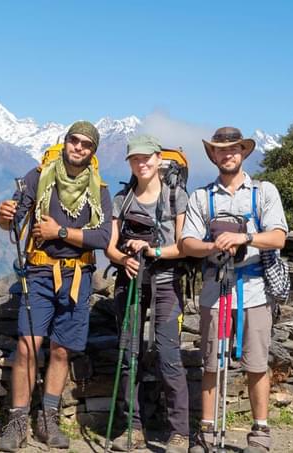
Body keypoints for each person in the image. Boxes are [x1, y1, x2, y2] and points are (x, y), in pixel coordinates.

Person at [0, 121, 113, 452]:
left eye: (86, 144)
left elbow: (102, 238)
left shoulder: (99, 188)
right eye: (73, 141)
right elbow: (14, 218)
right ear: (64, 143)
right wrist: (3, 216)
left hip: (78, 276)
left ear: (93, 152)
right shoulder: (38, 176)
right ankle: (17, 423)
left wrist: (59, 232)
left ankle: (48, 420)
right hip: (40, 272)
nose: (78, 147)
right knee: (27, 346)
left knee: (62, 349)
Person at [181, 127, 288, 453]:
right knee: (211, 364)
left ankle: (260, 433)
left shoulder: (264, 192)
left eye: (234, 149)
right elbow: (186, 243)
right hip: (215, 288)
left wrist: (245, 238)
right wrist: (214, 244)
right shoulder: (201, 197)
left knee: (256, 364)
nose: (228, 154)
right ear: (212, 155)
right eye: (220, 150)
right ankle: (207, 433)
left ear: (243, 152)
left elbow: (279, 237)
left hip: (255, 290)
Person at [105, 135, 190, 453]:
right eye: (135, 159)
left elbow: (184, 246)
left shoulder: (175, 196)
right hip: (130, 283)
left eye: (146, 157)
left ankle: (179, 432)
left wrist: (151, 249)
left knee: (169, 358)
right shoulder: (122, 199)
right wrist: (123, 258)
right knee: (129, 357)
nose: (141, 163)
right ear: (129, 162)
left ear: (158, 158)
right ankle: (133, 428)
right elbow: (110, 247)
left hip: (166, 282)